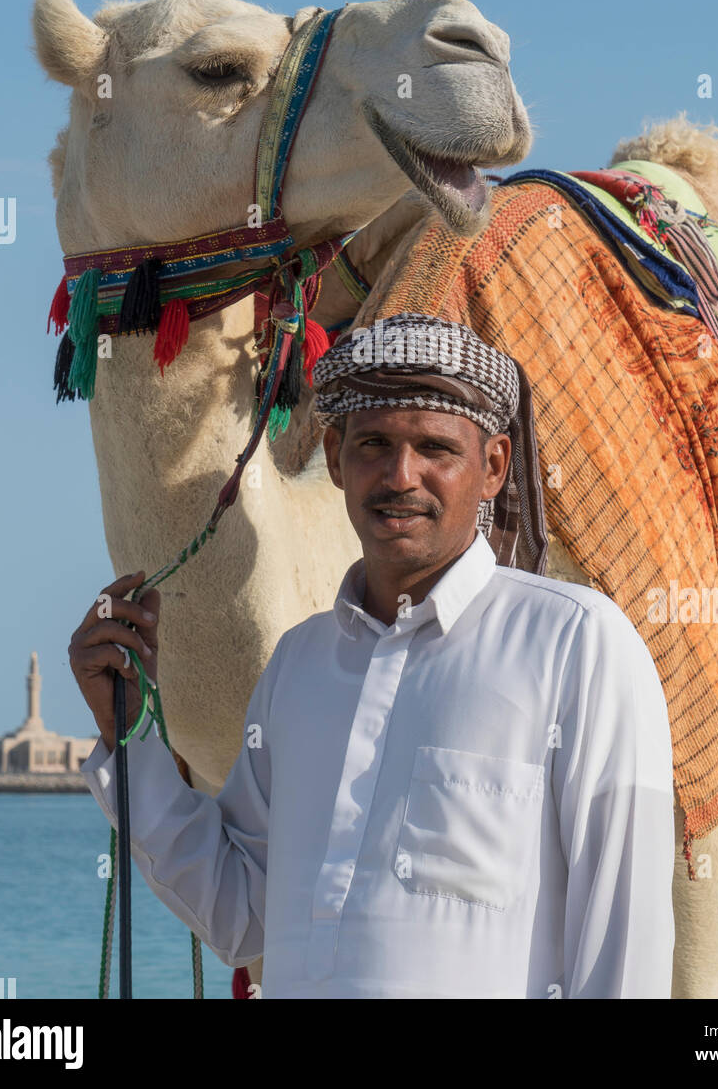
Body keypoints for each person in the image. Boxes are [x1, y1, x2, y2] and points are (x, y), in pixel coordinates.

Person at [71, 312, 676, 998]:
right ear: (334, 457)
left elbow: (626, 955)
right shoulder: (299, 666)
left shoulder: (579, 646)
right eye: (374, 445)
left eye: (436, 449)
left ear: (493, 467)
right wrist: (132, 740)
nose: (400, 475)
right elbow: (239, 917)